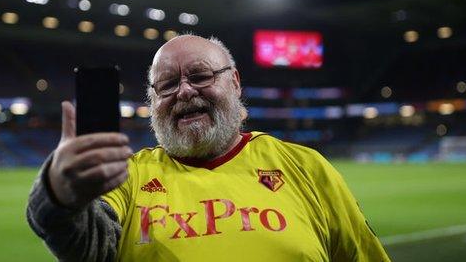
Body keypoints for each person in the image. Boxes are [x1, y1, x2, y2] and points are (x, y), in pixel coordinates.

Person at [26, 34, 390, 261]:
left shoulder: (306, 167)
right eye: (166, 85)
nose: (184, 91)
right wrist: (58, 194)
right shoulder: (129, 177)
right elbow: (86, 245)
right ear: (153, 101)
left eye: (200, 76)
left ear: (234, 82)